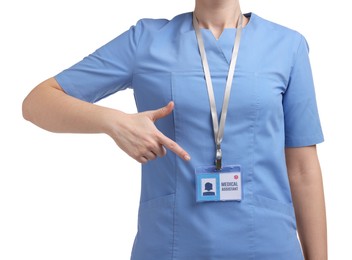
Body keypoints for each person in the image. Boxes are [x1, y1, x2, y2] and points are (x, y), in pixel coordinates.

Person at [22, 0, 327, 259]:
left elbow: (302, 169)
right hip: (170, 246)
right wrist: (114, 122)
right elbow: (37, 102)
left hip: (268, 247)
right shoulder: (146, 41)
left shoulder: (288, 47)